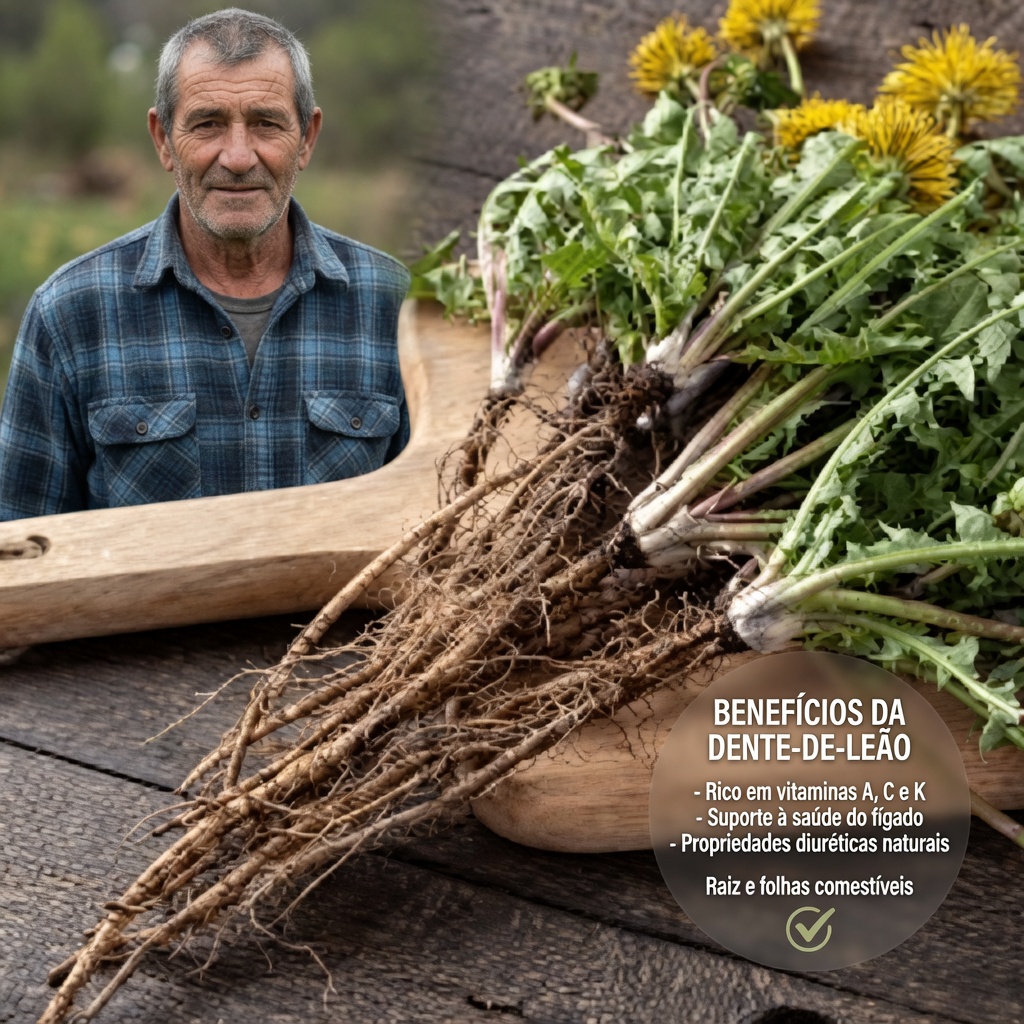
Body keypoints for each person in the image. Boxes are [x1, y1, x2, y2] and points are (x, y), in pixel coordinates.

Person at [0, 8, 411, 521]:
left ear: (306, 137)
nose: (238, 157)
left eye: (265, 123)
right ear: (163, 139)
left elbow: (443, 534)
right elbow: (21, 555)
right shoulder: (69, 314)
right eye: (208, 124)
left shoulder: (394, 305)